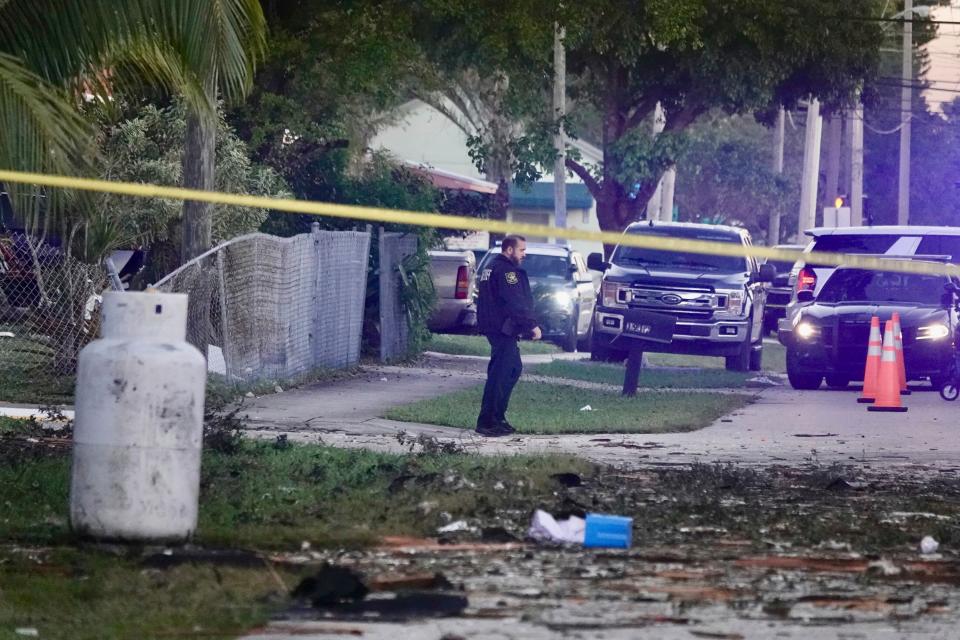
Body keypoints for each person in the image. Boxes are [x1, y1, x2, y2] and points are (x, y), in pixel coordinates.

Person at [475, 235, 541, 437]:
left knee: (511, 369)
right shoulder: (506, 271)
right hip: (502, 329)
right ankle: (489, 421)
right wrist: (531, 325)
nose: (524, 254)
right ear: (509, 250)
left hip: (497, 328)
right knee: (501, 374)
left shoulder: (492, 267)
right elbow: (514, 301)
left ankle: (497, 418)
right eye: (521, 250)